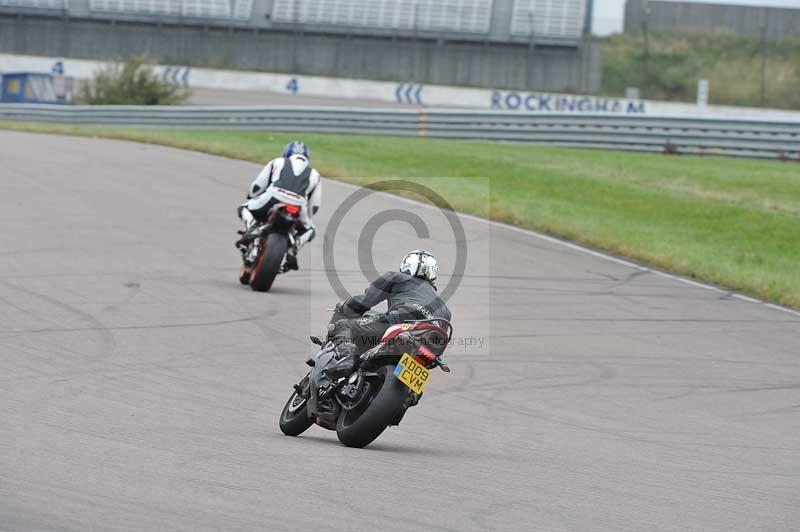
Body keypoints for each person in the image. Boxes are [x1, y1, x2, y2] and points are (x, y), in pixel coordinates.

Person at [325, 250, 452, 378]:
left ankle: (346, 358)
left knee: (342, 326)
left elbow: (365, 300)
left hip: (401, 322)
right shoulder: (445, 309)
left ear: (406, 266)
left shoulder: (398, 278)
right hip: (431, 345)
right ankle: (410, 396)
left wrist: (347, 307)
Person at [238, 141, 321, 270]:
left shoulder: (278, 161)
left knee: (244, 208)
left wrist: (251, 196)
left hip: (273, 197)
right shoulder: (315, 174)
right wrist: (307, 217)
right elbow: (314, 206)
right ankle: (295, 247)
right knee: (310, 230)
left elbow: (258, 186)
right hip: (299, 205)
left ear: (286, 153)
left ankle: (251, 230)